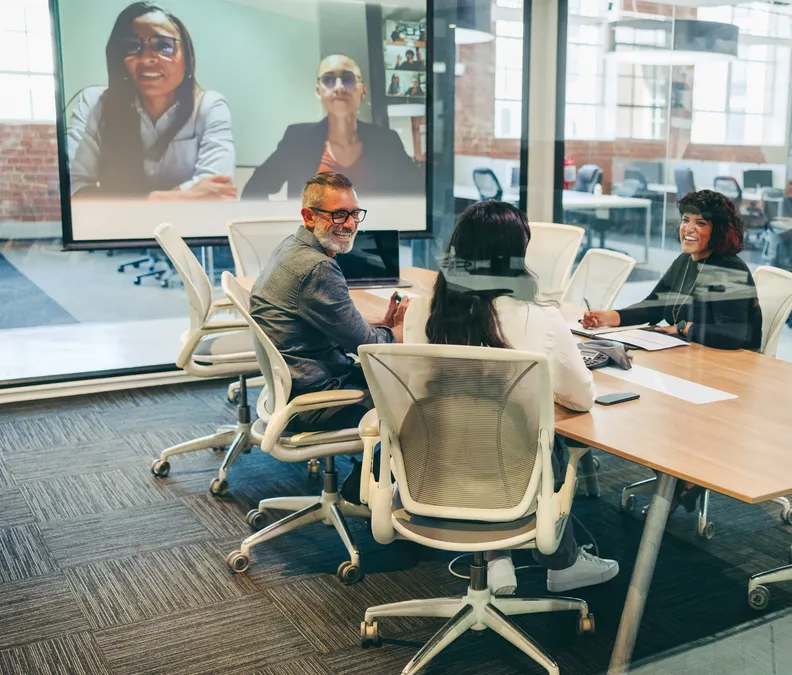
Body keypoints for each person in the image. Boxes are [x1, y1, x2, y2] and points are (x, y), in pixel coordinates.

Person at [403, 200, 620, 595]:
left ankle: (496, 559)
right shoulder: (541, 318)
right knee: (534, 431)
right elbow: (581, 399)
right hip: (512, 481)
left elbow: (416, 393)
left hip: (432, 471)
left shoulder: (422, 312)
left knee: (470, 421)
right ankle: (563, 564)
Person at [250, 171, 406, 435]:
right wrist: (401, 332)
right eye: (338, 214)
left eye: (355, 213)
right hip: (316, 401)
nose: (349, 224)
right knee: (415, 402)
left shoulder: (291, 247)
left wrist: (379, 326)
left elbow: (331, 327)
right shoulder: (318, 268)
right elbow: (368, 347)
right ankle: (366, 475)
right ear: (309, 217)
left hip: (293, 386)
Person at [66, 1, 235, 200]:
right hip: (117, 230)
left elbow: (215, 192)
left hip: (191, 230)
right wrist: (162, 199)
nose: (146, 58)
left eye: (163, 45)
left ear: (187, 57)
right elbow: (75, 190)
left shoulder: (209, 107)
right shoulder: (96, 103)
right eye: (132, 46)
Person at [582, 189, 762, 351]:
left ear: (719, 231)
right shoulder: (686, 260)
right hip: (693, 353)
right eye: (685, 220)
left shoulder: (728, 269)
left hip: (731, 363)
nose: (688, 229)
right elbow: (653, 306)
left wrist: (683, 327)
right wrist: (609, 317)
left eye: (700, 223)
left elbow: (731, 335)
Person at [243, 54, 424, 199]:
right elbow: (253, 190)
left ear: (363, 90)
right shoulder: (297, 139)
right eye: (329, 79)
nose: (339, 87)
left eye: (348, 79)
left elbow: (419, 196)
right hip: (311, 245)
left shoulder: (387, 142)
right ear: (318, 91)